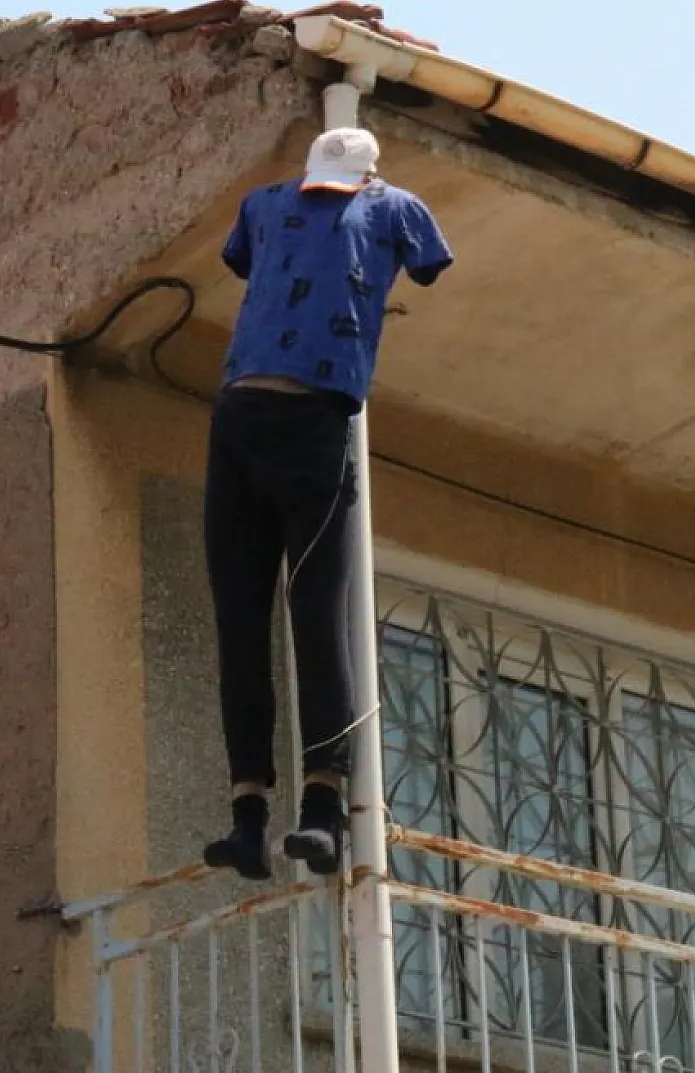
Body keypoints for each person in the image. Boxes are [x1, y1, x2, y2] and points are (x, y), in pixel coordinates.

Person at [201, 127, 453, 880]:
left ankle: (320, 812)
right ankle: (249, 816)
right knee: (242, 619)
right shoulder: (266, 203)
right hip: (243, 417)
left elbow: (431, 262)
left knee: (317, 613)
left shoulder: (393, 208)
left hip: (312, 417)